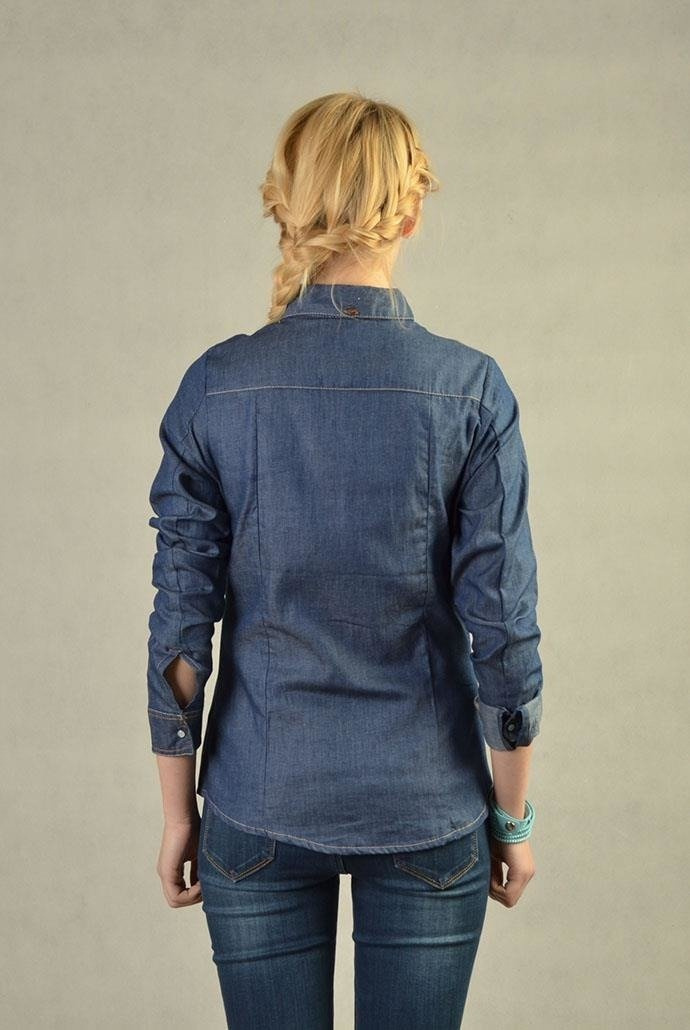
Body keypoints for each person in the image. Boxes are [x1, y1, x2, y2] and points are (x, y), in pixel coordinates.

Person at [146, 91, 543, 1029]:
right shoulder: (471, 392)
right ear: (410, 212)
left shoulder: (216, 387)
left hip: (257, 799)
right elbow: (505, 634)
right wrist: (514, 819)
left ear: (287, 207)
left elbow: (180, 634)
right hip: (428, 803)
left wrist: (178, 816)